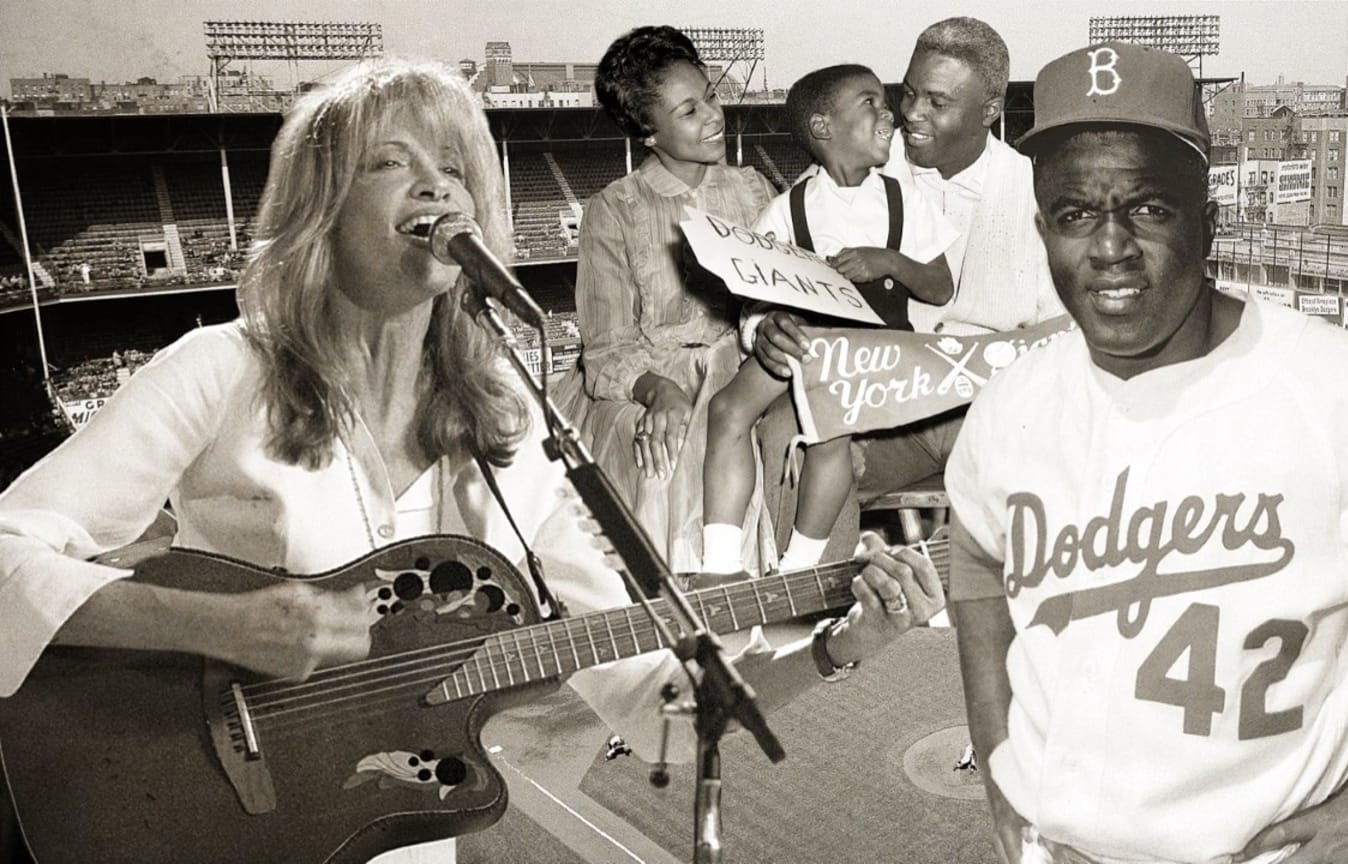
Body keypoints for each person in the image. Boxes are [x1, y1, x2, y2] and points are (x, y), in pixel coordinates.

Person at [0, 59, 945, 864]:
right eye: (391, 162)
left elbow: (660, 707)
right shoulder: (222, 368)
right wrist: (226, 625)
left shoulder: (504, 413)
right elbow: (8, 552)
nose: (436, 186)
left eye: (454, 166)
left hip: (392, 838)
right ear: (321, 210)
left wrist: (837, 644)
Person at [946, 41, 1348, 864]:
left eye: (1147, 207)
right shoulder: (1012, 405)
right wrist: (997, 759)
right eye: (1076, 213)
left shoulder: (1339, 393)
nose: (1109, 246)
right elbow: (975, 555)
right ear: (1044, 229)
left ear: (1208, 221)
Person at [747, 17, 1064, 565]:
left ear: (991, 110)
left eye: (937, 103)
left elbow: (1064, 337)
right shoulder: (857, 160)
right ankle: (800, 623)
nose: (911, 114)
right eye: (909, 92)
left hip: (989, 414)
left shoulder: (1039, 191)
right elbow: (770, 270)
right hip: (877, 403)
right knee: (789, 429)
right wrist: (761, 327)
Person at [700, 64, 957, 576]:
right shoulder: (786, 210)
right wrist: (766, 323)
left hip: (877, 351)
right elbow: (755, 299)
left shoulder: (905, 199)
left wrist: (889, 262)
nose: (888, 112)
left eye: (885, 103)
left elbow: (940, 286)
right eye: (869, 103)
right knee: (728, 408)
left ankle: (800, 567)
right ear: (823, 128)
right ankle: (719, 564)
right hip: (807, 342)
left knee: (828, 420)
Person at [551, 25, 777, 573]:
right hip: (653, 374)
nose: (714, 117)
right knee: (665, 442)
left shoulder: (754, 189)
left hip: (749, 361)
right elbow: (605, 349)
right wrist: (660, 391)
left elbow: (783, 296)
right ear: (647, 132)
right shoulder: (615, 209)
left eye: (712, 97)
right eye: (689, 111)